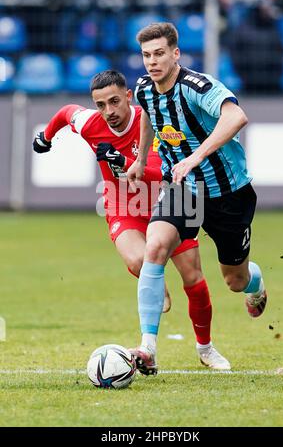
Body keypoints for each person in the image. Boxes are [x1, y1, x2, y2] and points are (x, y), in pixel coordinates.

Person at [32, 69, 231, 371]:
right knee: (141, 261)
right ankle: (150, 328)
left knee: (193, 277)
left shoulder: (150, 121)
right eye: (100, 105)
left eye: (114, 101)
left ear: (128, 96)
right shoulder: (91, 124)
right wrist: (45, 138)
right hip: (124, 206)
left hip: (168, 204)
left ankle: (205, 348)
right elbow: (65, 113)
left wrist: (123, 162)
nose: (108, 111)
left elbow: (160, 171)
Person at [127, 22, 267, 375]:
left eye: (159, 53)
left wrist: (195, 156)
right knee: (155, 249)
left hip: (228, 194)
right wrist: (142, 159)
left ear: (176, 53)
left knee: (234, 281)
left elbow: (237, 116)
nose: (152, 62)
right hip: (183, 190)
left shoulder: (197, 86)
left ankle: (256, 281)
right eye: (146, 55)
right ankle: (147, 347)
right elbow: (148, 116)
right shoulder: (144, 87)